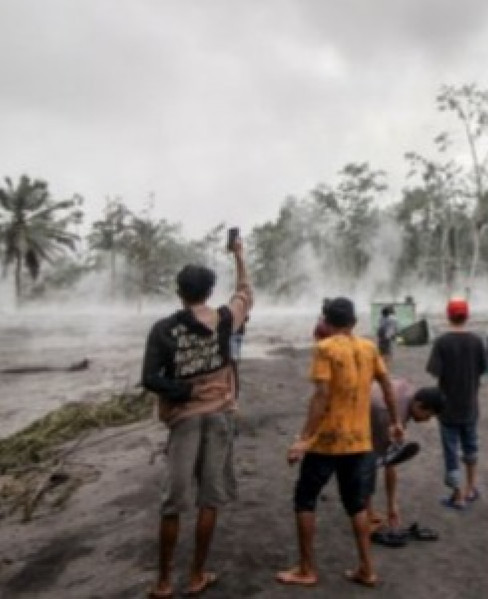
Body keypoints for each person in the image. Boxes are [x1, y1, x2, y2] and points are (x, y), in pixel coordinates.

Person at [140, 238, 252, 599]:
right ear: (209, 291)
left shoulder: (163, 329)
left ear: (179, 292)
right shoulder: (224, 320)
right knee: (209, 499)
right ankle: (196, 574)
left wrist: (183, 391)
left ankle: (162, 582)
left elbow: (150, 379)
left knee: (173, 502)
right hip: (219, 417)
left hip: (184, 420)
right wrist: (239, 255)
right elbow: (246, 291)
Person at [277, 297, 403, 589]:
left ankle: (307, 569)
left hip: (327, 440)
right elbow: (386, 385)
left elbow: (321, 396)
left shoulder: (325, 348)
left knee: (305, 500)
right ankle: (366, 569)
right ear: (354, 322)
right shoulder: (369, 347)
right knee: (357, 506)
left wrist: (304, 439)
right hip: (359, 441)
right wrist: (395, 422)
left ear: (326, 321)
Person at [426, 298, 487, 510]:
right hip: (470, 404)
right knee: (471, 447)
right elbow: (482, 369)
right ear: (467, 316)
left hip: (447, 407)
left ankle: (458, 495)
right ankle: (472, 487)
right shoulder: (477, 341)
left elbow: (434, 371)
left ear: (448, 316)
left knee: (451, 451)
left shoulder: (442, 342)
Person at [367, 383, 445, 545]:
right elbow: (375, 462)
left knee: (378, 458)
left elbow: (392, 460)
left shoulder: (411, 391)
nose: (426, 421)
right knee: (367, 466)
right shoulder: (390, 415)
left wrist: (392, 506)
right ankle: (365, 517)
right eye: (428, 416)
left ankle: (368, 513)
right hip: (355, 415)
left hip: (370, 407)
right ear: (419, 405)